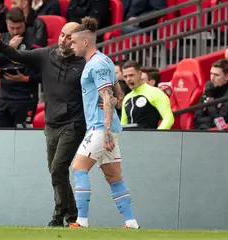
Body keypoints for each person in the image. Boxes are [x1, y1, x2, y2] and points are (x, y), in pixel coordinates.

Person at [0, 21, 86, 227]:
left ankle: (58, 215)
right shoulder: (47, 54)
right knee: (57, 171)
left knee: (57, 168)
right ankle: (72, 215)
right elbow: (17, 56)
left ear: (78, 41)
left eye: (68, 37)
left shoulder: (85, 63)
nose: (63, 39)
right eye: (62, 34)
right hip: (51, 123)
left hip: (73, 124)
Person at [68, 17, 139, 229]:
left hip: (101, 127)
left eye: (73, 42)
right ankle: (131, 222)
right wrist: (114, 101)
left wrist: (106, 131)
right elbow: (119, 94)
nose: (71, 46)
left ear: (84, 42)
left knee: (78, 167)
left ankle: (81, 221)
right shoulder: (105, 60)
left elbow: (108, 96)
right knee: (113, 176)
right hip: (108, 127)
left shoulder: (96, 64)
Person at [0, 8, 43, 128]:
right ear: (6, 23)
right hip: (4, 98)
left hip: (25, 98)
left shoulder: (34, 43)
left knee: (22, 139)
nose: (16, 31)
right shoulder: (2, 39)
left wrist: (26, 79)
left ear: (24, 23)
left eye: (19, 27)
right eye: (12, 28)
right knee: (1, 137)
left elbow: (45, 74)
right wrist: (8, 49)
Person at [121, 60, 174, 129]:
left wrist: (155, 136)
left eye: (131, 75)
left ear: (140, 74)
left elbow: (168, 118)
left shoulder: (155, 92)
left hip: (149, 138)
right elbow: (123, 124)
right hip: (130, 138)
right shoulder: (127, 97)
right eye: (125, 76)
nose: (128, 79)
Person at [194, 59, 228, 130]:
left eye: (216, 75)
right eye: (211, 74)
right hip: (200, 131)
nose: (212, 78)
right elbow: (196, 119)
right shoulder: (208, 92)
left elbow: (220, 124)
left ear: (227, 77)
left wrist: (210, 101)